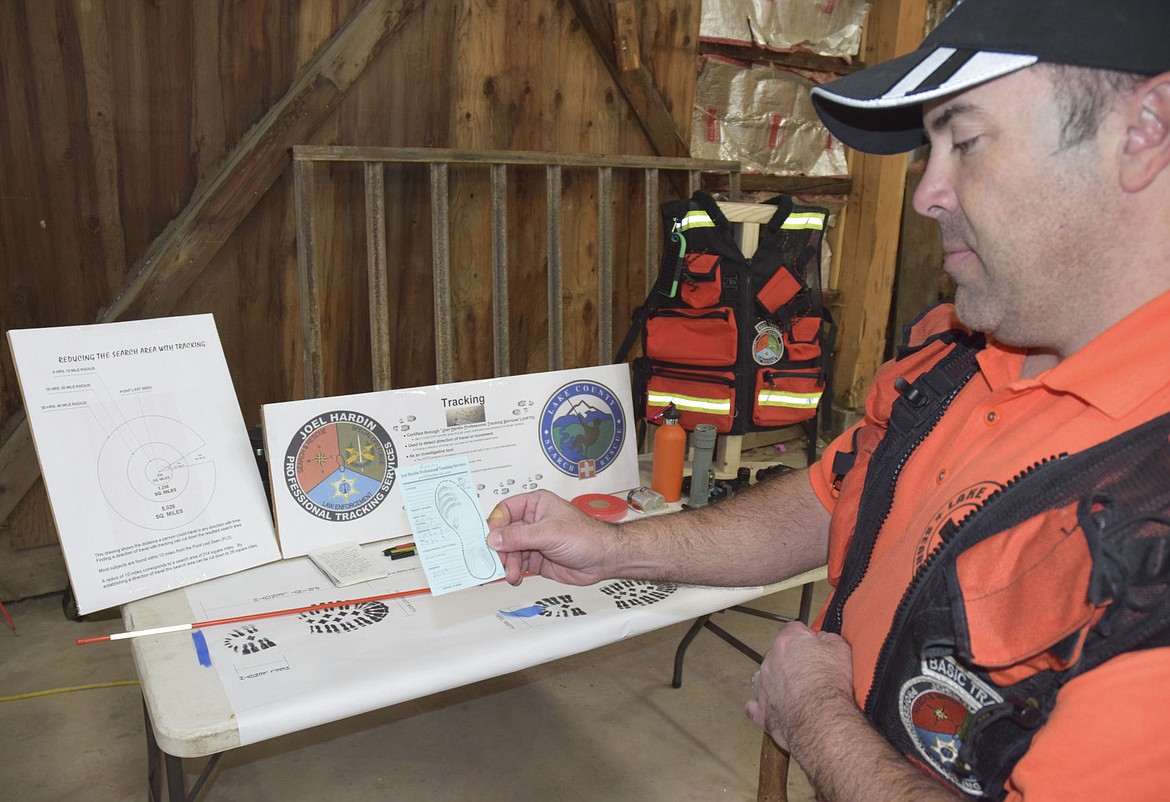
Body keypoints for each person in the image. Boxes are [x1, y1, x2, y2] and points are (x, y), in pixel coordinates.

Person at [487, 1, 1170, 799]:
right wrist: (615, 549)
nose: (927, 193)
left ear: (1144, 129)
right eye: (928, 148)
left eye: (967, 139)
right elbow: (833, 500)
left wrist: (815, 716)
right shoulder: (961, 354)